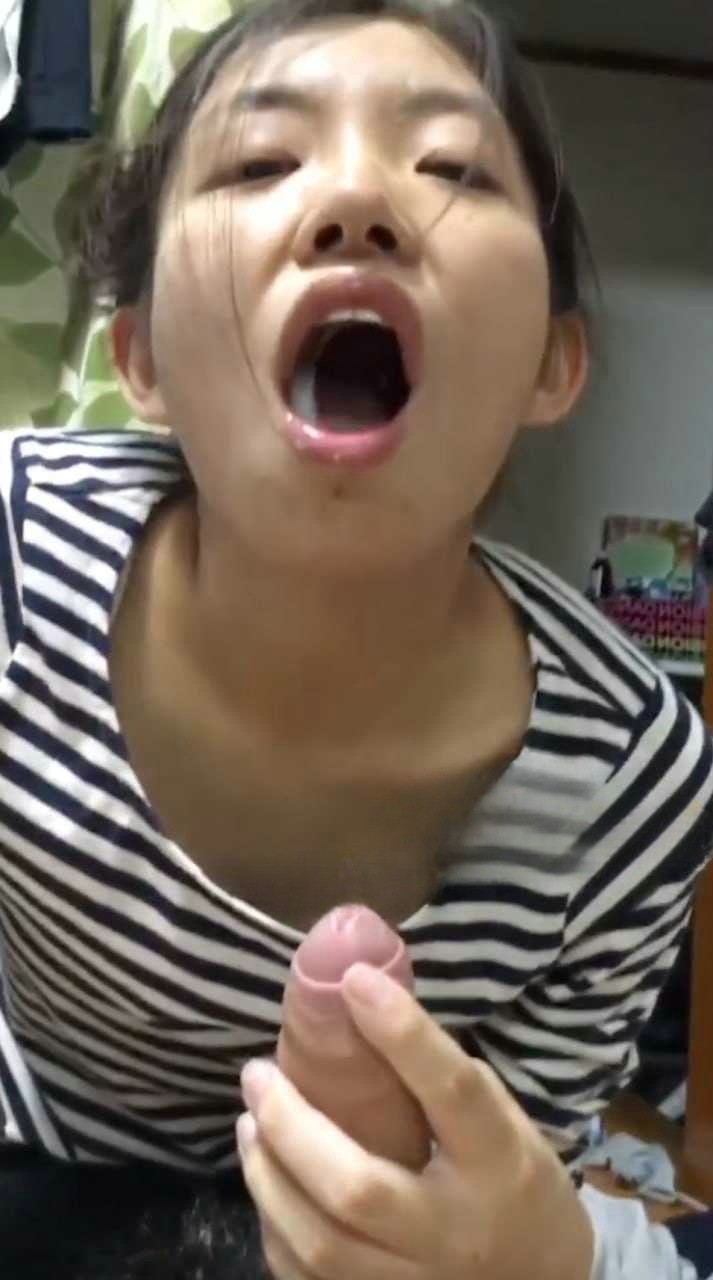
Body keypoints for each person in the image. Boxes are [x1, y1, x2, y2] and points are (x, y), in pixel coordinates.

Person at [0, 0, 711, 1275]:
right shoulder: (16, 560)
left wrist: (525, 1244)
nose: (355, 201)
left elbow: (510, 1165)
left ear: (551, 365)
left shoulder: (627, 783)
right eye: (260, 162)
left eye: (451, 168)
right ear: (141, 357)